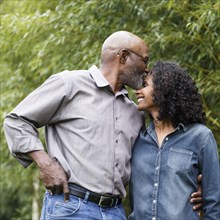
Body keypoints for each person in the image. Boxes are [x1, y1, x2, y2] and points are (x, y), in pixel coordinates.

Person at [3, 31, 201, 220]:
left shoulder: (136, 113)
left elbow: (153, 162)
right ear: (123, 57)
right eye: (145, 60)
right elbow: (16, 120)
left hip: (116, 212)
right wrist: (45, 163)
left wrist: (190, 189)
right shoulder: (70, 84)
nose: (147, 69)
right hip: (71, 207)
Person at [129, 61, 220, 220]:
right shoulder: (137, 138)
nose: (138, 91)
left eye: (144, 85)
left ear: (163, 89)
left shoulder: (200, 137)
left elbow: (214, 199)